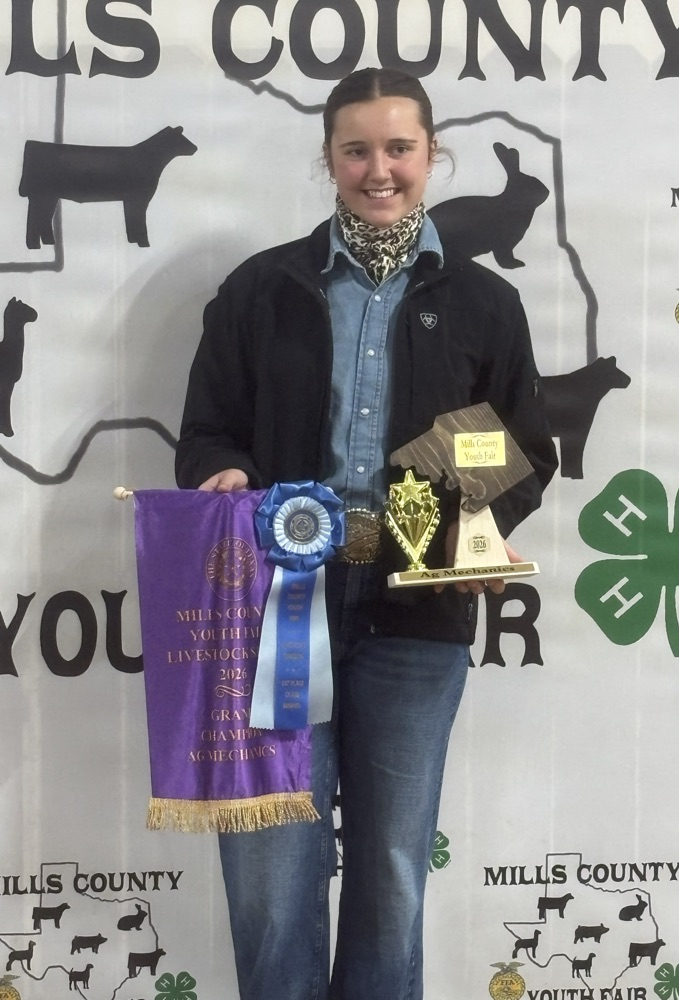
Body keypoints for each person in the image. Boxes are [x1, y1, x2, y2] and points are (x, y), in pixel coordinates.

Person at [175, 67, 557, 1000]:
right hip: (273, 615)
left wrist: (465, 534)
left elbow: (526, 448)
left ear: (433, 156)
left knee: (389, 872)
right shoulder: (262, 288)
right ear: (329, 159)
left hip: (416, 625)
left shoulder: (482, 303)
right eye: (357, 150)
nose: (378, 169)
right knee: (271, 878)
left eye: (399, 148)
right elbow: (207, 432)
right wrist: (221, 475)